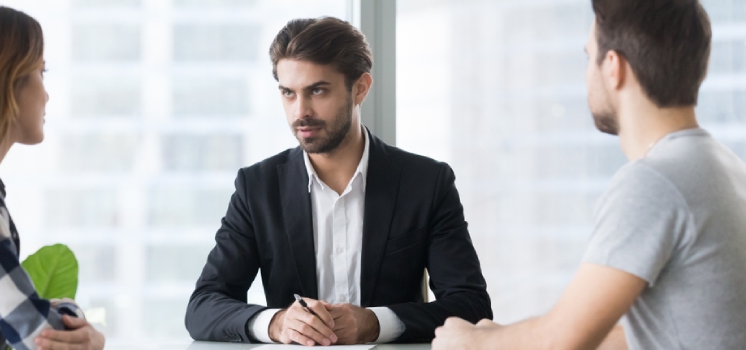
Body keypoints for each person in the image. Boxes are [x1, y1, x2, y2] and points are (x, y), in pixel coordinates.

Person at [432, 0, 746, 349]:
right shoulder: (724, 167)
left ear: (613, 67)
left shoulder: (654, 182)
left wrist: (469, 342)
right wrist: (501, 338)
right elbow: (645, 335)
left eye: (588, 56)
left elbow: (561, 342)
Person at [185, 17, 492, 345]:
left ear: (360, 88)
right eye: (288, 93)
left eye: (317, 90)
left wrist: (374, 322)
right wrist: (276, 323)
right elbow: (203, 306)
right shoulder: (257, 188)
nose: (300, 111)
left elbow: (471, 306)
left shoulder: (427, 183)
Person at [0, 5, 105, 350]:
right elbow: (40, 335)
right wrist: (73, 314)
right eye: (40, 73)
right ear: (1, 83)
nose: (46, 94)